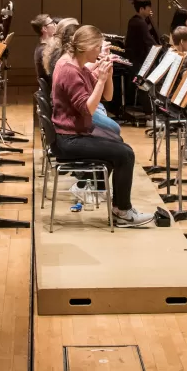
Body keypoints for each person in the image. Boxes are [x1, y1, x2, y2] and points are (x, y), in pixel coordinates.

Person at [50, 25, 153, 227]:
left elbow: (108, 96)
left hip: (74, 133)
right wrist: (101, 79)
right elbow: (88, 109)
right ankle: (122, 212)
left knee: (118, 144)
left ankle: (111, 200)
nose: (100, 52)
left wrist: (108, 72)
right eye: (98, 47)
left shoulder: (77, 66)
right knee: (125, 153)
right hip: (68, 139)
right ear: (87, 47)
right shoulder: (70, 71)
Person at [31, 13, 56, 84]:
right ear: (44, 28)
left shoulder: (43, 47)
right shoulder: (43, 50)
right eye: (52, 23)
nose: (55, 25)